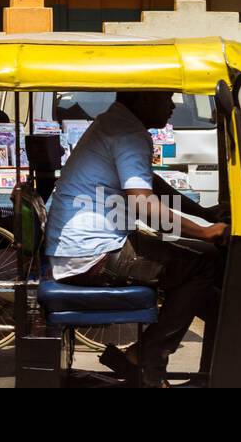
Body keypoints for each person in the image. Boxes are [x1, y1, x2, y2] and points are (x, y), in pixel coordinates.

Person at [44, 90, 227, 387]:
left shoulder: (115, 123)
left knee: (203, 263)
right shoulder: (128, 132)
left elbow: (151, 185)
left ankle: (152, 358)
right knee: (203, 264)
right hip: (93, 254)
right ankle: (145, 359)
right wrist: (206, 232)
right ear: (143, 100)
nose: (172, 105)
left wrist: (205, 214)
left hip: (85, 248)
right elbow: (144, 205)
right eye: (166, 97)